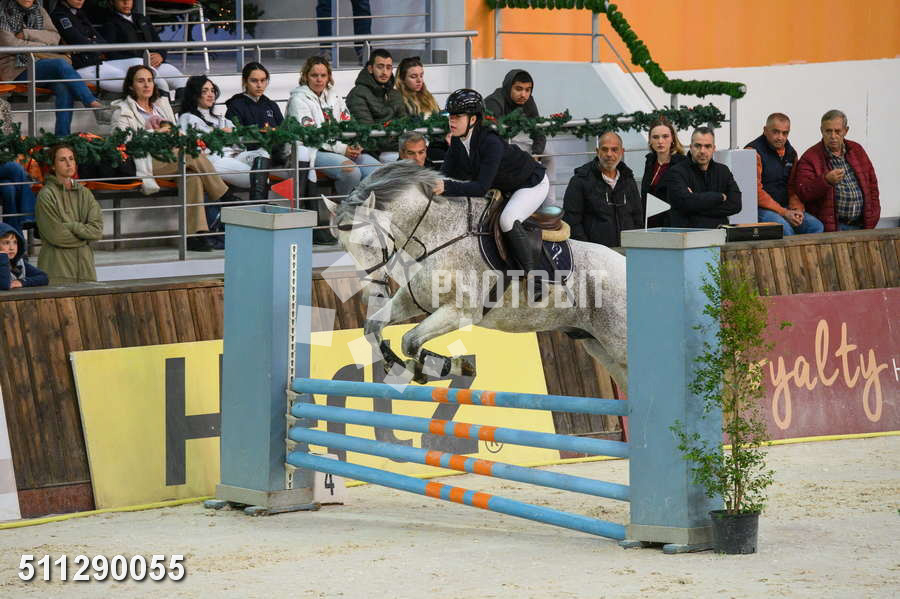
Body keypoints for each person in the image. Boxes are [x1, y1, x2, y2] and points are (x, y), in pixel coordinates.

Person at [434, 89, 549, 295]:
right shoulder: (458, 141)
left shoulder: (490, 142)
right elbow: (445, 174)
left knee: (508, 220)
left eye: (457, 116)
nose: (451, 121)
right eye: (450, 116)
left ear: (473, 119)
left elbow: (480, 188)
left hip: (531, 183)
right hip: (506, 187)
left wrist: (446, 187)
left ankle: (535, 279)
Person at [112, 65, 236, 252]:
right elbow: (123, 144)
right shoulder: (122, 111)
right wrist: (157, 133)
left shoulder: (161, 105)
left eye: (149, 80)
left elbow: (178, 132)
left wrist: (173, 133)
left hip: (171, 156)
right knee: (190, 154)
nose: (146, 85)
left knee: (192, 176)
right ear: (131, 86)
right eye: (140, 81)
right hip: (144, 160)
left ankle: (194, 236)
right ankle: (224, 196)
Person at [286, 56, 380, 243]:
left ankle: (361, 217)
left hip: (339, 148)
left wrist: (355, 142)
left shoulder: (334, 96)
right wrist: (343, 149)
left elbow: (348, 123)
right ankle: (340, 214)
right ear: (306, 76)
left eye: (323, 75)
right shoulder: (298, 99)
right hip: (311, 151)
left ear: (329, 76)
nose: (319, 79)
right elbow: (311, 135)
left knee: (378, 171)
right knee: (351, 171)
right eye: (314, 75)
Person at [0, 0, 105, 136]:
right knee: (59, 63)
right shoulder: (3, 14)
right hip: (16, 69)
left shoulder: (39, 10)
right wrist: (44, 46)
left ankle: (62, 138)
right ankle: (91, 102)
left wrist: (27, 34)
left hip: (42, 64)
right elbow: (12, 44)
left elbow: (54, 37)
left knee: (63, 86)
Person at [178, 75, 271, 203]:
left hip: (236, 155)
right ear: (194, 95)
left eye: (212, 90)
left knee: (263, 153)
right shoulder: (187, 118)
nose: (210, 95)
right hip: (214, 159)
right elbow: (193, 146)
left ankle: (257, 206)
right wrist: (218, 134)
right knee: (258, 178)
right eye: (204, 91)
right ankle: (259, 206)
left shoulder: (220, 119)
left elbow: (241, 141)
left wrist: (233, 134)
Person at [793, 109, 880, 231]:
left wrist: (873, 216)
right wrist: (825, 180)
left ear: (846, 131)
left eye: (837, 131)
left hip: (863, 225)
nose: (833, 136)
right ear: (821, 130)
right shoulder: (810, 157)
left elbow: (872, 185)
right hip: (834, 227)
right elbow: (803, 192)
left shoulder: (856, 150)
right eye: (828, 131)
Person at [484, 69, 556, 207]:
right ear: (508, 87)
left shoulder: (528, 101)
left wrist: (536, 153)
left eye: (528, 90)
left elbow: (538, 130)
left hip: (517, 141)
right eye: (519, 89)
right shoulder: (494, 101)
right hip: (498, 146)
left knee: (549, 153)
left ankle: (549, 206)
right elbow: (493, 135)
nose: (524, 94)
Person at [34, 143, 103, 284]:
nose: (68, 163)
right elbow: (56, 235)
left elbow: (97, 231)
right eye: (62, 160)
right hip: (56, 272)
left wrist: (72, 226)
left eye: (71, 159)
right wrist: (84, 238)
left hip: (86, 271)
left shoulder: (85, 194)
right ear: (53, 166)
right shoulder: (46, 195)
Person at [745, 113, 823, 236]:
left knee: (816, 226)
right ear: (765, 130)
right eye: (775, 132)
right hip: (760, 209)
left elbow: (793, 186)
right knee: (785, 229)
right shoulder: (752, 152)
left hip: (785, 207)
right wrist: (784, 212)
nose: (780, 137)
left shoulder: (791, 153)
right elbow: (755, 192)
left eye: (785, 133)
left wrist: (796, 209)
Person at [563, 131, 642, 248]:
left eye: (614, 149)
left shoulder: (628, 179)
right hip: (595, 253)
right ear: (597, 151)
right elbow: (572, 221)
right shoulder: (580, 180)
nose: (609, 154)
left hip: (628, 250)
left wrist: (636, 245)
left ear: (622, 152)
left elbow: (637, 216)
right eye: (605, 149)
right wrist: (588, 250)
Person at [50, 0, 143, 93]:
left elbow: (102, 42)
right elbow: (78, 41)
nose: (80, 0)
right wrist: (92, 41)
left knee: (140, 66)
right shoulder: (59, 15)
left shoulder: (79, 12)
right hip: (81, 66)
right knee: (132, 83)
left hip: (96, 62)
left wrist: (90, 41)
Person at [101, 0, 187, 97]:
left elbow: (158, 43)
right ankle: (163, 105)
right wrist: (139, 60)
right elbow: (110, 52)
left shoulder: (142, 19)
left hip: (153, 63)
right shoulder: (110, 22)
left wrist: (160, 55)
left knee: (181, 81)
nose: (126, 2)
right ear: (112, 2)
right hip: (134, 65)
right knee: (161, 84)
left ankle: (182, 106)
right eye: (121, 0)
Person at [662, 127, 742, 228]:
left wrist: (695, 204)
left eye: (707, 146)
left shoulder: (723, 171)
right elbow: (685, 203)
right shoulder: (676, 172)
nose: (702, 151)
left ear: (714, 149)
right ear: (691, 147)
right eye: (698, 146)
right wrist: (719, 197)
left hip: (719, 233)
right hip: (689, 234)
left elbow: (736, 205)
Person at [345, 49, 404, 161]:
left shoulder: (395, 94)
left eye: (388, 68)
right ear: (370, 69)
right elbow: (368, 134)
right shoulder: (358, 93)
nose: (385, 72)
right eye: (380, 67)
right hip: (371, 152)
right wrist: (401, 143)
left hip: (397, 148)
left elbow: (404, 124)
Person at [395, 56, 447, 164]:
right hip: (417, 147)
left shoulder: (428, 98)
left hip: (436, 143)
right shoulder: (397, 100)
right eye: (413, 76)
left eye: (421, 75)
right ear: (402, 79)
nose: (419, 80)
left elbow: (439, 119)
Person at [640, 118, 686, 227]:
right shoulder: (650, 162)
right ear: (650, 141)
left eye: (665, 136)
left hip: (673, 225)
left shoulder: (682, 164)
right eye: (655, 137)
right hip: (649, 225)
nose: (660, 141)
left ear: (672, 138)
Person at [0, 97, 37, 233]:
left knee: (9, 189)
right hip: (6, 165)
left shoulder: (3, 105)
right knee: (14, 168)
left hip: (3, 162)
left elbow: (10, 139)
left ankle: (14, 240)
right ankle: (29, 215)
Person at [0, 221, 47, 289]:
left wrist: (22, 282)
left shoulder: (19, 262)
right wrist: (2, 257)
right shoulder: (3, 260)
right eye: (6, 243)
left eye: (15, 242)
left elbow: (43, 277)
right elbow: (4, 285)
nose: (12, 248)